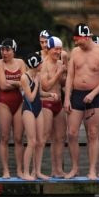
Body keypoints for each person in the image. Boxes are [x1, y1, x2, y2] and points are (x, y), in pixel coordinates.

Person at [64, 24, 99, 179]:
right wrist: (67, 98)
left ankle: (92, 170)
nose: (77, 44)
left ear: (86, 37)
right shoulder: (75, 52)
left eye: (79, 41)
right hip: (76, 94)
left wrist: (93, 93)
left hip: (94, 95)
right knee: (71, 133)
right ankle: (75, 168)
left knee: (93, 133)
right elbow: (70, 76)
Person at [0, 38, 27, 178]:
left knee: (19, 138)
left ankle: (20, 170)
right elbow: (2, 85)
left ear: (14, 50)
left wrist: (12, 82)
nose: (4, 53)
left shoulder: (21, 63)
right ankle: (6, 171)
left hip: (19, 102)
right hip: (3, 103)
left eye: (7, 50)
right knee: (4, 137)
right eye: (2, 50)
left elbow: (26, 84)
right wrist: (18, 83)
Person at [39, 36, 67, 178]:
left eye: (60, 49)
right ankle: (36, 171)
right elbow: (46, 86)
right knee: (44, 137)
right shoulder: (44, 64)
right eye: (56, 49)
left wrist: (64, 74)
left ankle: (57, 170)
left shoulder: (61, 62)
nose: (58, 51)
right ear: (49, 49)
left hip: (59, 103)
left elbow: (61, 84)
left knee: (60, 138)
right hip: (46, 103)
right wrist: (59, 73)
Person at [20, 52, 50, 180]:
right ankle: (26, 172)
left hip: (39, 109)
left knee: (40, 142)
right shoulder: (24, 78)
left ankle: (37, 171)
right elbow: (31, 98)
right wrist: (37, 83)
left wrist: (49, 95)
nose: (42, 64)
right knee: (31, 142)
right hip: (28, 110)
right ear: (36, 65)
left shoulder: (37, 75)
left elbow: (39, 93)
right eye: (41, 62)